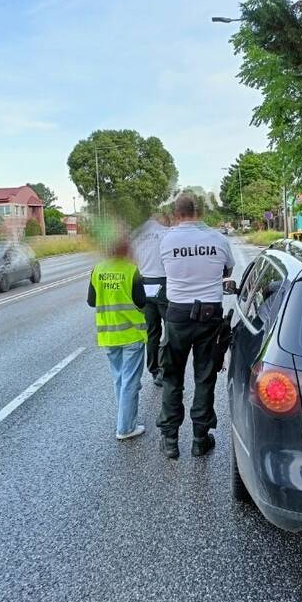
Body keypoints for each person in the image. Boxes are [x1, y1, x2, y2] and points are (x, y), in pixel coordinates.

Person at [157, 194, 234, 459]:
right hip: (210, 316)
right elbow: (227, 270)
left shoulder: (167, 241)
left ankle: (170, 440)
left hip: (177, 315)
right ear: (197, 212)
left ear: (176, 214)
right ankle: (200, 440)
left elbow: (165, 271)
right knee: (205, 377)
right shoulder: (218, 239)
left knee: (172, 377)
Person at [86, 227, 148, 440]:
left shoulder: (97, 269)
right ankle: (125, 427)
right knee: (130, 381)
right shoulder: (131, 270)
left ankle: (125, 418)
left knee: (120, 380)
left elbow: (91, 301)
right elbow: (141, 301)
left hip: (108, 336)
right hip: (131, 334)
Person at [130, 212, 171, 387]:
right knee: (170, 329)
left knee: (152, 332)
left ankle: (154, 369)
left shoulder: (136, 235)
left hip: (143, 283)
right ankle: (165, 370)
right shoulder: (167, 233)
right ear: (163, 221)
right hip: (164, 283)